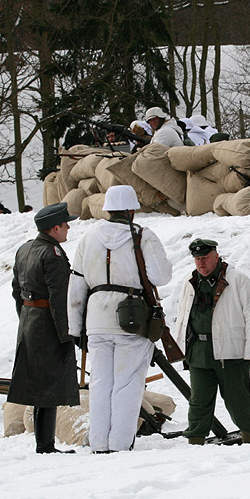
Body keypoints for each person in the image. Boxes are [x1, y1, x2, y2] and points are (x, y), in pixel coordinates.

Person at [67, 185, 172, 453]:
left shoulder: (88, 238)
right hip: (131, 317)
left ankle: (99, 443)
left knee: (101, 383)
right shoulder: (143, 236)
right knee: (128, 383)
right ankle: (120, 444)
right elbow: (161, 276)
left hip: (96, 318)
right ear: (131, 210)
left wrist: (75, 328)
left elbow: (76, 289)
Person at [173, 239, 250, 445]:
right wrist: (182, 348)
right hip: (198, 351)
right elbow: (184, 313)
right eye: (197, 259)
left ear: (216, 256)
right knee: (198, 401)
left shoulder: (237, 279)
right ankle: (195, 440)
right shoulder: (191, 280)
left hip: (230, 352)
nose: (200, 263)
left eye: (204, 258)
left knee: (237, 399)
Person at [8, 202, 80, 453]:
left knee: (40, 385)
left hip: (30, 319)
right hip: (48, 323)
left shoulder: (25, 249)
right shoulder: (52, 254)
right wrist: (67, 335)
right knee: (49, 386)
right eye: (65, 224)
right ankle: (45, 445)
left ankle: (44, 443)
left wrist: (26, 316)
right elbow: (60, 299)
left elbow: (17, 291)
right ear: (54, 228)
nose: (69, 227)